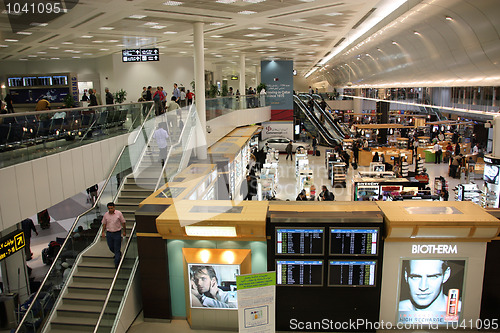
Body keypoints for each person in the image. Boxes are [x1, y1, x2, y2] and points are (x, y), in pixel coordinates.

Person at [101, 202, 126, 268]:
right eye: (109, 208)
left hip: (117, 233)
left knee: (117, 248)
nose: (110, 210)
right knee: (111, 247)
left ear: (114, 208)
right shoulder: (106, 215)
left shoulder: (119, 213)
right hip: (109, 233)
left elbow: (123, 222)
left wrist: (124, 231)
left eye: (111, 208)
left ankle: (117, 263)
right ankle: (117, 254)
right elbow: (104, 224)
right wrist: (103, 232)